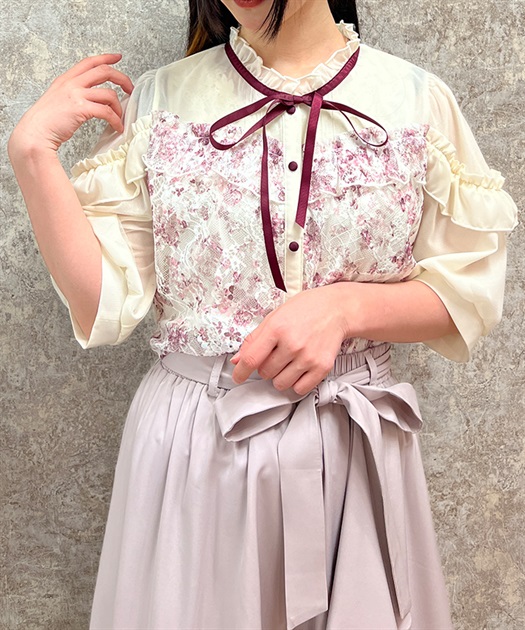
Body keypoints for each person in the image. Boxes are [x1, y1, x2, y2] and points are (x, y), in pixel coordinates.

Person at [7, 0, 518, 628]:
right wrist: (33, 155)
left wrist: (344, 308)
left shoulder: (415, 100)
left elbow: (468, 292)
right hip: (198, 444)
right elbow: (102, 306)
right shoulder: (162, 103)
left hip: (352, 442)